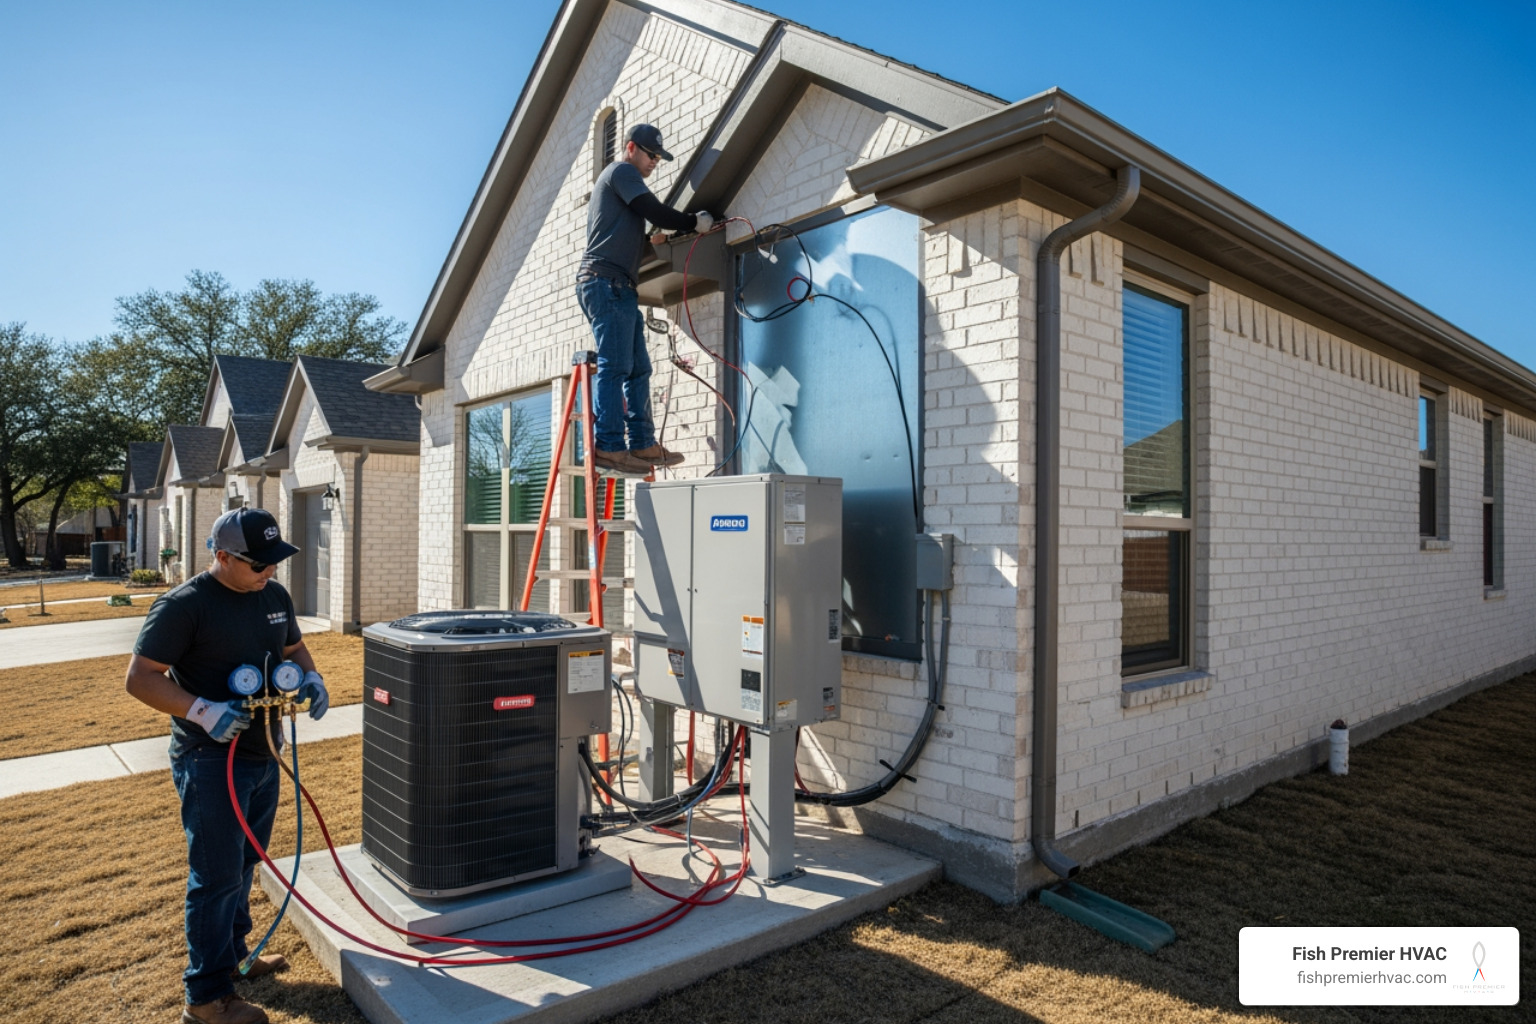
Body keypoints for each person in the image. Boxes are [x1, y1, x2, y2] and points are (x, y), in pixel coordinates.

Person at [125, 507, 330, 1024]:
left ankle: (237, 955)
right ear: (221, 555)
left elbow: (294, 647)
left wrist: (312, 677)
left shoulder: (274, 596)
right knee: (215, 875)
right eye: (259, 564)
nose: (270, 571)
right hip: (210, 758)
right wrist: (203, 711)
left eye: (275, 560)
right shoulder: (184, 606)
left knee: (244, 863)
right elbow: (141, 677)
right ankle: (205, 998)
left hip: (265, 752)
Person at [578, 122, 717, 474]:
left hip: (619, 286)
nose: (655, 161)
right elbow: (655, 211)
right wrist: (692, 222)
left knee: (639, 368)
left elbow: (627, 235)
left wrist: (652, 244)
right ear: (630, 148)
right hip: (606, 283)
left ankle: (641, 443)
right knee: (615, 367)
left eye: (658, 156)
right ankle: (609, 447)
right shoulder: (621, 172)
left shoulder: (623, 188)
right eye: (650, 154)